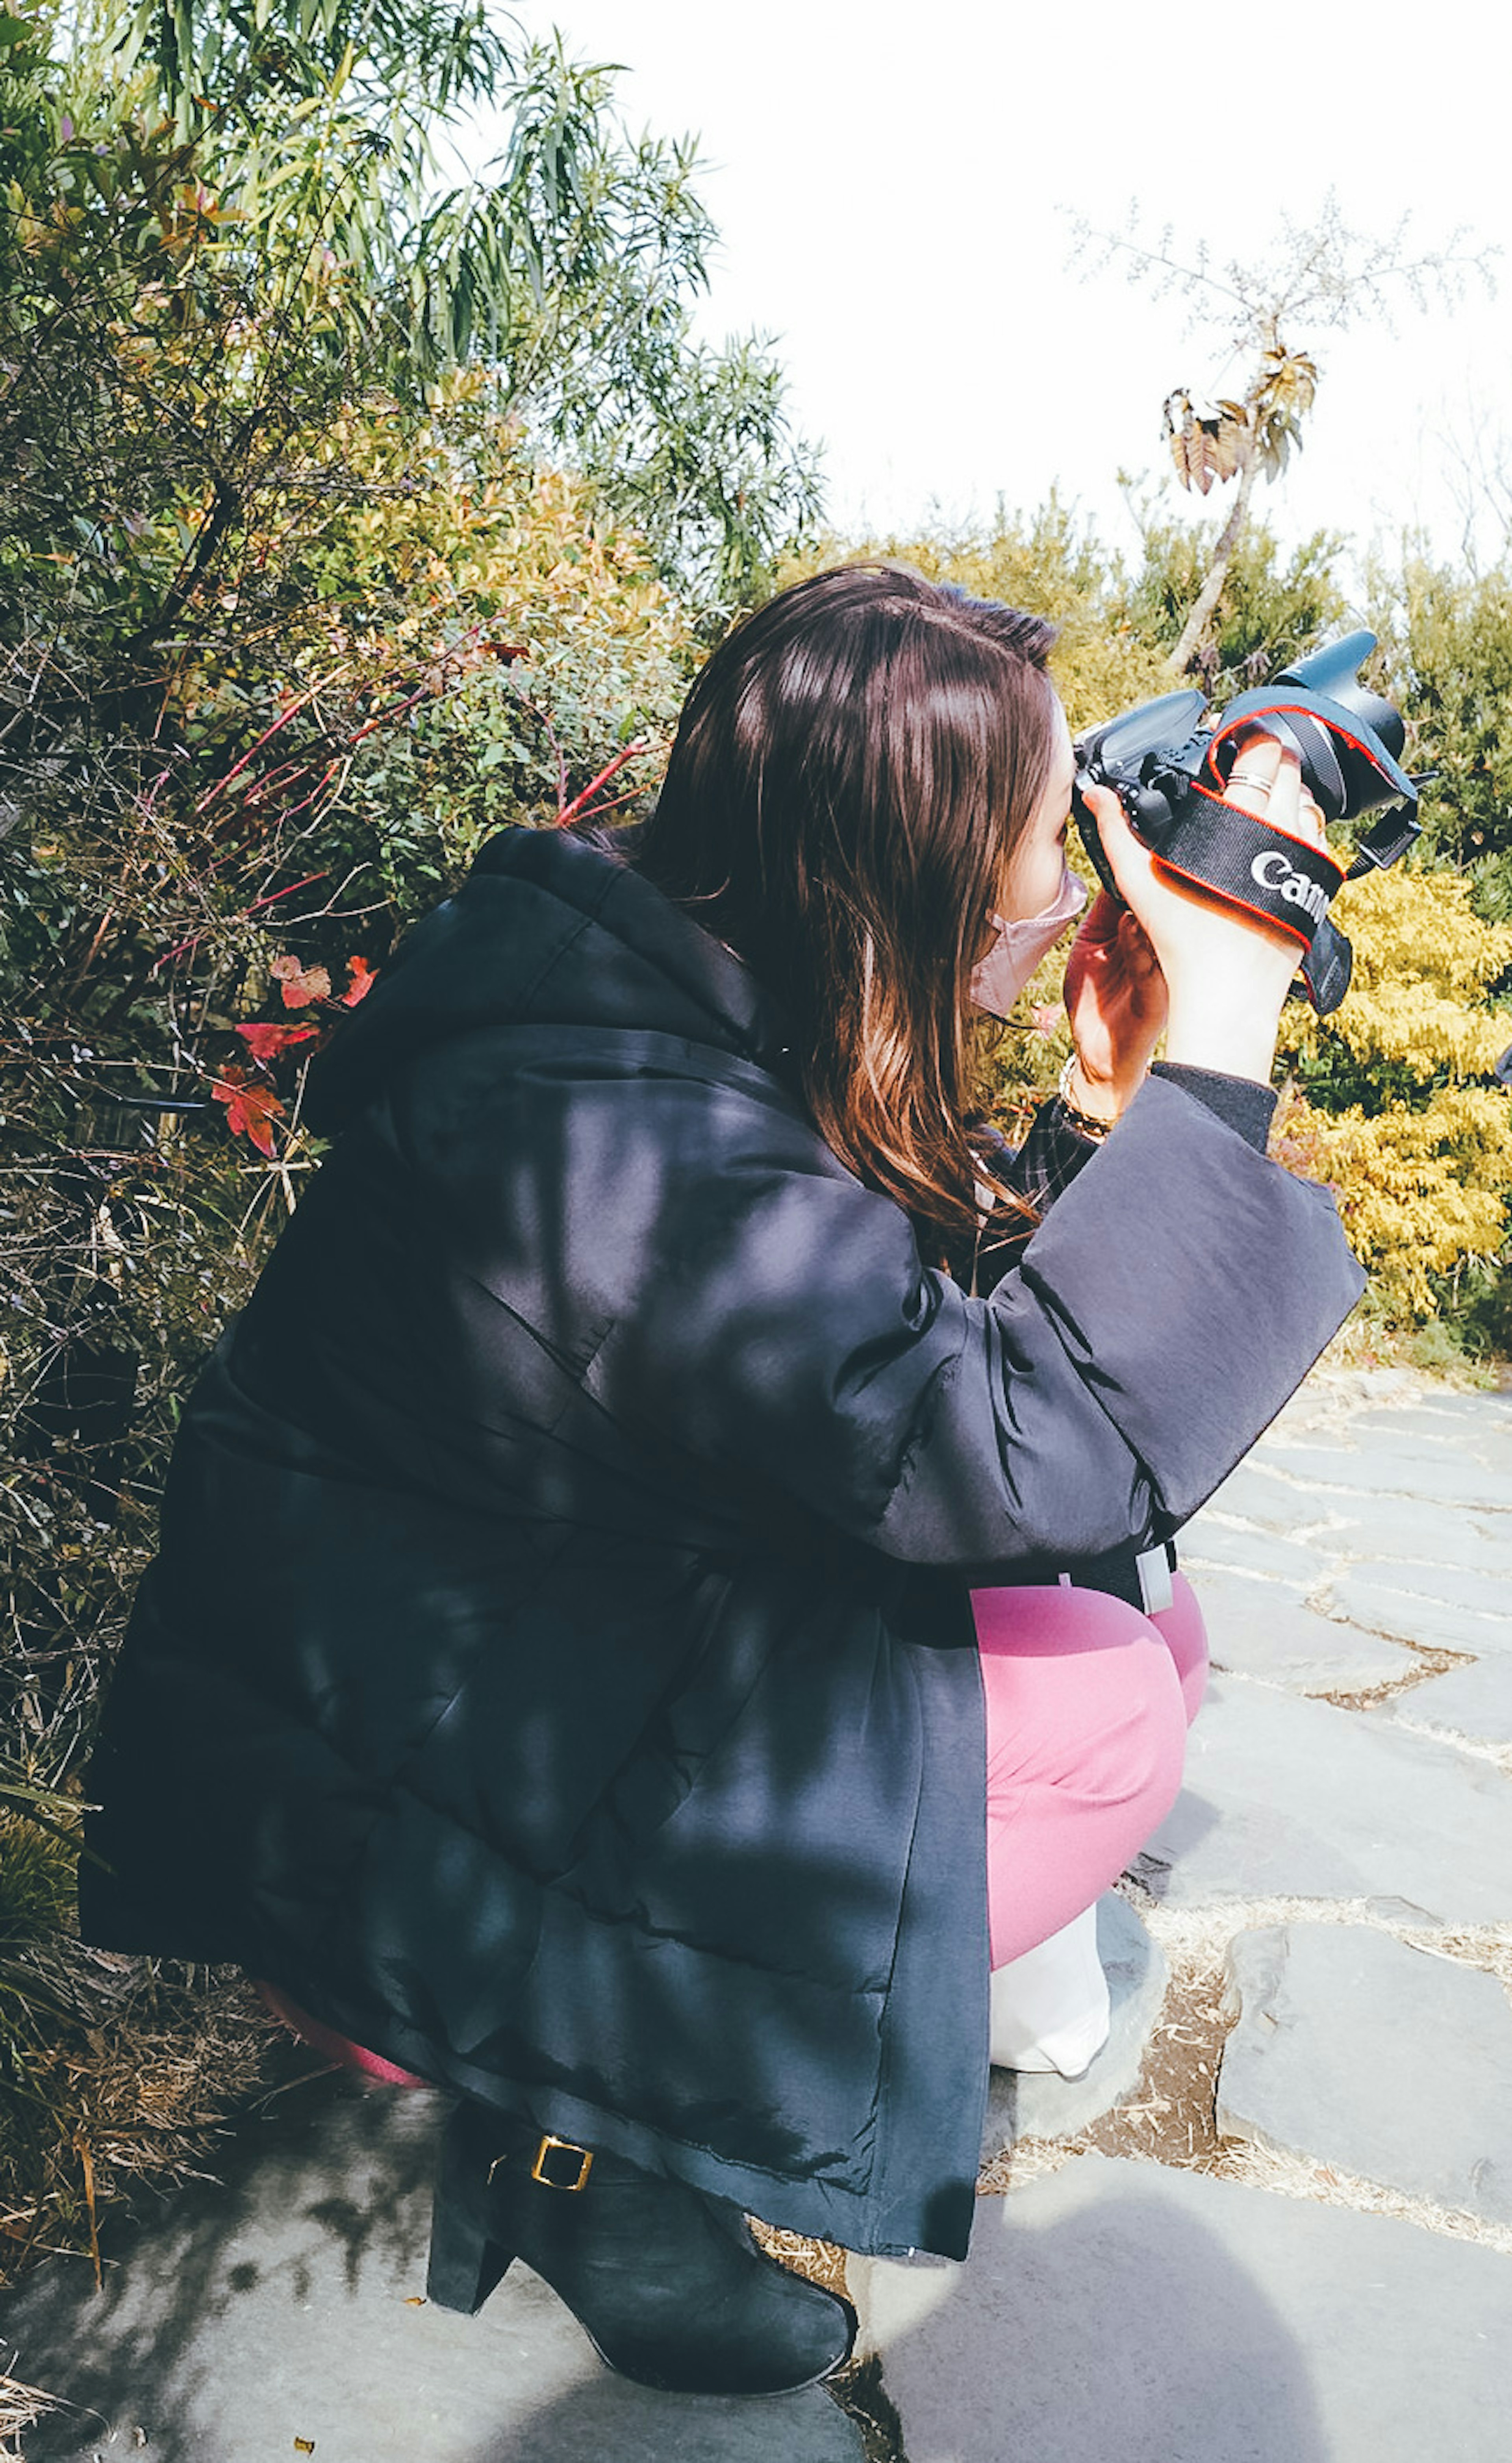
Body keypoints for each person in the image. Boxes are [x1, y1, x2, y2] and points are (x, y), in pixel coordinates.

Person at [80, 564, 1364, 2397]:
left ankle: (623, 2078)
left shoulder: (671, 1024)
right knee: (1101, 1711)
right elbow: (1000, 1460)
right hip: (381, 1837)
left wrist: (1094, 1112)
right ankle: (579, 2136)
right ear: (908, 862)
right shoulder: (626, 1135)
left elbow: (912, 1386)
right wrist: (1227, 1028)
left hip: (499, 1688)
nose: (1074, 882)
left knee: (1135, 1623)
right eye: (1047, 837)